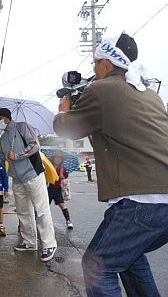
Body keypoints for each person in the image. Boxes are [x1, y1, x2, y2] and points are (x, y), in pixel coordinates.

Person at [54, 32, 168, 296]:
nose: (94, 70)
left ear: (106, 63)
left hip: (141, 202)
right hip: (162, 200)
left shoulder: (102, 89)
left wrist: (64, 109)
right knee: (129, 258)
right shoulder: (149, 93)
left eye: (95, 64)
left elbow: (67, 129)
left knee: (97, 266)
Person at [0, 108, 57, 262]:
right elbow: (1, 158)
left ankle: (49, 244)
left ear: (7, 118)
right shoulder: (3, 139)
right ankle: (29, 242)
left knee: (41, 210)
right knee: (23, 212)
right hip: (17, 178)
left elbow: (35, 145)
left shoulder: (22, 127)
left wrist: (19, 155)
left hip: (33, 174)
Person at [48, 151, 73, 229]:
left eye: (60, 158)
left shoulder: (62, 168)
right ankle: (40, 222)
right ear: (53, 158)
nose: (58, 159)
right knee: (45, 206)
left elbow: (66, 176)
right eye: (56, 157)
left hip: (57, 189)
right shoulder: (49, 166)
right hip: (48, 188)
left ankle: (68, 220)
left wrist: (62, 176)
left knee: (62, 204)